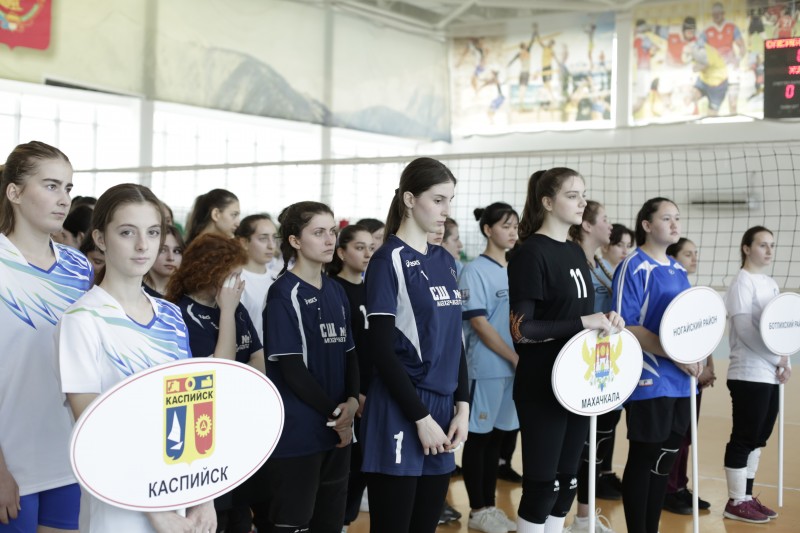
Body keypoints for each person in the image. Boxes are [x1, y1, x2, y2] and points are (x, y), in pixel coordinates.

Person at [57, 183, 216, 532]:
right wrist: (153, 510)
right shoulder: (82, 320)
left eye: (153, 232)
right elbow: (93, 429)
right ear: (100, 238)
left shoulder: (171, 316)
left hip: (178, 492)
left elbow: (193, 404)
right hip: (119, 505)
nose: (143, 245)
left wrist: (205, 497)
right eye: (128, 232)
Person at [508, 168, 623, 533]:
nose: (582, 202)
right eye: (572, 195)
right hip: (541, 385)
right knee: (543, 487)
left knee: (567, 483)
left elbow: (576, 318)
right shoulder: (529, 253)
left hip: (577, 383)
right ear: (547, 202)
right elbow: (521, 330)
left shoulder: (574, 251)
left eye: (583, 195)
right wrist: (585, 322)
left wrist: (605, 321)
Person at [360, 157, 469, 533]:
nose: (445, 210)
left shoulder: (445, 261)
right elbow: (380, 349)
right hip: (401, 406)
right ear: (409, 199)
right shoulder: (387, 260)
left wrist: (463, 407)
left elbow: (455, 341)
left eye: (449, 200)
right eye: (438, 200)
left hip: (442, 408)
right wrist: (420, 418)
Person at [250, 201, 359, 533]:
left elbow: (350, 354)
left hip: (338, 430)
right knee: (293, 522)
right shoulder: (283, 294)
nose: (329, 240)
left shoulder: (336, 290)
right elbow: (293, 371)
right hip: (301, 433)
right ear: (295, 241)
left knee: (331, 522)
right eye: (318, 232)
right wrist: (338, 415)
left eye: (332, 232)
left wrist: (352, 401)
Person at [0, 141, 92, 533]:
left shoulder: (79, 267)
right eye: (51, 186)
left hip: (68, 457)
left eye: (68, 188)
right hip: (11, 463)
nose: (64, 199)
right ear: (15, 192)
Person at [165, 232, 265, 531]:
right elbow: (221, 372)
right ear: (210, 271)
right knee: (214, 519)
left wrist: (230, 312)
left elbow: (259, 361)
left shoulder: (235, 308)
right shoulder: (183, 313)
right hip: (204, 437)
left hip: (239, 430)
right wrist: (228, 312)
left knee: (241, 516)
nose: (239, 283)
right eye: (233, 275)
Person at [612, 197, 699, 533]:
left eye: (677, 217)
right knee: (645, 456)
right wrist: (674, 353)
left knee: (665, 460)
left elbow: (688, 324)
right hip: (649, 377)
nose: (675, 224)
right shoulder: (633, 266)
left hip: (681, 380)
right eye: (666, 218)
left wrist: (697, 356)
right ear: (647, 225)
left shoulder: (678, 269)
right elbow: (626, 326)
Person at [460, 202, 520, 533]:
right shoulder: (474, 271)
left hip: (514, 368)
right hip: (487, 368)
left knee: (497, 439)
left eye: (515, 226)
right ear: (488, 230)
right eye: (505, 226)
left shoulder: (516, 268)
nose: (512, 232)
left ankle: (490, 507)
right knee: (479, 439)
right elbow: (479, 324)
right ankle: (477, 510)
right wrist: (513, 357)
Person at [722, 226, 789, 524]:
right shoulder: (742, 282)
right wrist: (776, 358)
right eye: (763, 245)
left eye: (772, 245)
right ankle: (735, 501)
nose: (769, 250)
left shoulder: (770, 283)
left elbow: (781, 329)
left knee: (758, 439)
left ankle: (747, 497)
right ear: (747, 248)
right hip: (748, 373)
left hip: (770, 374)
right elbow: (745, 329)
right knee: (744, 437)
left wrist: (786, 360)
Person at [565, 200, 618, 533]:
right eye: (605, 219)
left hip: (602, 363)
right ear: (586, 225)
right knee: (577, 447)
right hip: (576, 365)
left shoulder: (600, 263)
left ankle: (585, 517)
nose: (610, 225)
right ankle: (565, 518)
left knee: (596, 443)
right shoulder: (571, 261)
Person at [326, 224, 375, 528]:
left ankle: (346, 521)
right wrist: (354, 393)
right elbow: (339, 351)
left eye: (371, 247)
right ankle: (336, 523)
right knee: (345, 465)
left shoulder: (374, 289)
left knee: (363, 466)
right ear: (342, 253)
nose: (367, 253)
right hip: (349, 394)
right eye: (359, 247)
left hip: (374, 391)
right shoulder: (334, 290)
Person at [662, 237, 714, 515]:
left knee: (687, 435)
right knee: (676, 436)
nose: (694, 259)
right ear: (672, 258)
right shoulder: (672, 294)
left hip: (696, 373)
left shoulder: (691, 291)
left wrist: (709, 366)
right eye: (688, 254)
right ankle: (669, 490)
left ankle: (680, 486)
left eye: (696, 253)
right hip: (677, 375)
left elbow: (705, 333)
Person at [235, 214, 279, 345]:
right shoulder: (236, 280)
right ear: (244, 242)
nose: (271, 245)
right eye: (263, 238)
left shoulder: (280, 278)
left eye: (274, 238)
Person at [143, 225, 184, 298]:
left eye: (177, 251)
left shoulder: (187, 294)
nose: (171, 258)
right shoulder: (134, 290)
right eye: (163, 250)